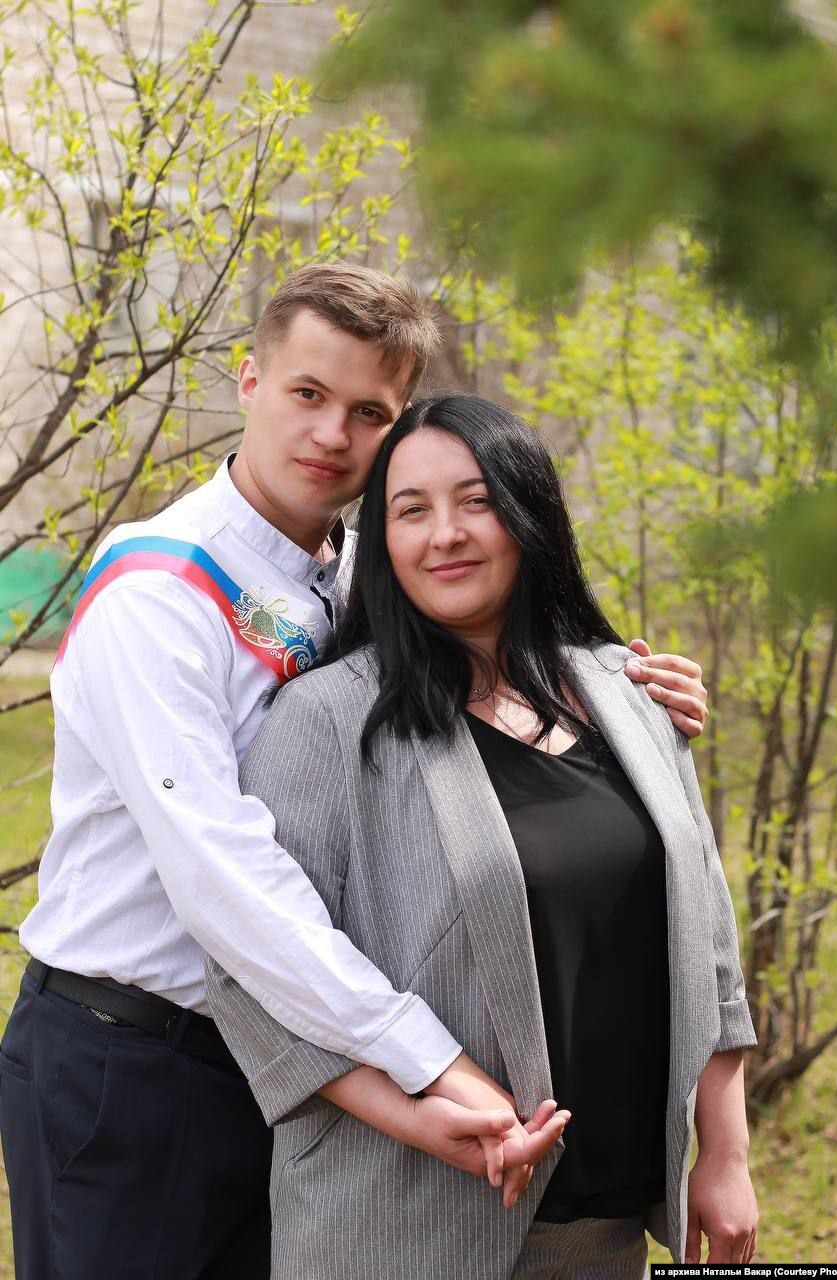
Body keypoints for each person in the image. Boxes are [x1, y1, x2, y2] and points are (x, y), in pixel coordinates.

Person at [0, 264, 710, 1280]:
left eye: (368, 412)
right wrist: (424, 1059)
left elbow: (493, 637)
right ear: (248, 380)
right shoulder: (158, 592)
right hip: (140, 1064)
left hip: (303, 1069)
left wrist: (623, 695)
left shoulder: (356, 567)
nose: (331, 434)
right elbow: (225, 875)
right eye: (307, 392)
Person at [207, 393, 759, 1280]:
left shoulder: (628, 692)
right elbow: (252, 975)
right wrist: (418, 1115)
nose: (445, 535)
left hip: (607, 1230)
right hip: (404, 1226)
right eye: (410, 510)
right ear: (381, 542)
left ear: (529, 513)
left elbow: (709, 945)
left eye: (476, 501)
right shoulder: (329, 721)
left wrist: (724, 1158)